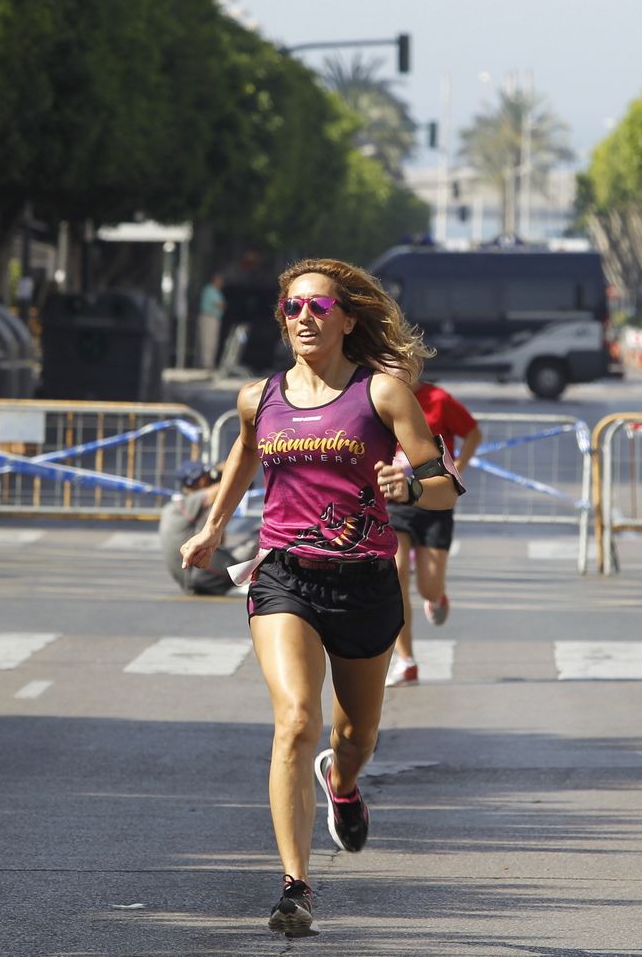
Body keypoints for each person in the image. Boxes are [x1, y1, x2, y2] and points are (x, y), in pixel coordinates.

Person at [179, 258, 463, 937]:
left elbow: (446, 486)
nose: (303, 317)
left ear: (347, 319)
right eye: (292, 308)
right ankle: (295, 886)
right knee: (296, 719)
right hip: (285, 575)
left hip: (365, 581)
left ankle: (343, 782)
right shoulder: (259, 397)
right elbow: (246, 454)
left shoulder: (383, 393)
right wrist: (213, 527)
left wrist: (411, 486)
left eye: (318, 306)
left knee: (355, 735)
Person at [384, 378, 481, 688]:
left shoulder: (438, 398)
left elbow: (473, 432)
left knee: (428, 587)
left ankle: (436, 597)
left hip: (435, 502)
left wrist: (459, 466)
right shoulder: (379, 395)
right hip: (396, 501)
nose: (396, 369)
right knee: (395, 573)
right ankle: (406, 661)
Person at [158, 459, 256, 594]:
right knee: (262, 537)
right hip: (202, 575)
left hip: (192, 579)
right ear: (202, 481)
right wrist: (232, 469)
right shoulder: (190, 502)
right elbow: (225, 487)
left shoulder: (176, 506)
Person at [198, 272, 226, 371]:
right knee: (208, 341)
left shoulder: (217, 291)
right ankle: (206, 364)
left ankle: (209, 363)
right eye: (220, 281)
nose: (221, 283)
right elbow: (219, 304)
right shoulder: (210, 290)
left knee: (213, 341)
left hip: (214, 318)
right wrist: (222, 305)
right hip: (208, 318)